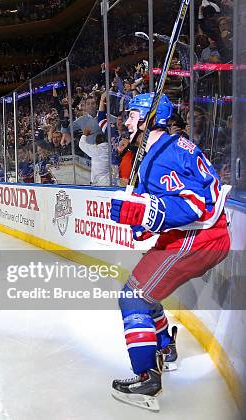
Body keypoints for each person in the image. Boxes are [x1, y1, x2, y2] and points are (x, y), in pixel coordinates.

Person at [109, 93, 231, 411]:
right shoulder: (163, 150)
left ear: (151, 117)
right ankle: (166, 347)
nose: (127, 121)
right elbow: (151, 220)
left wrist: (143, 210)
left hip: (199, 237)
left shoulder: (162, 155)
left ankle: (147, 378)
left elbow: (195, 205)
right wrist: (137, 217)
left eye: (134, 114)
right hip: (192, 235)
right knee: (143, 288)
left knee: (133, 297)